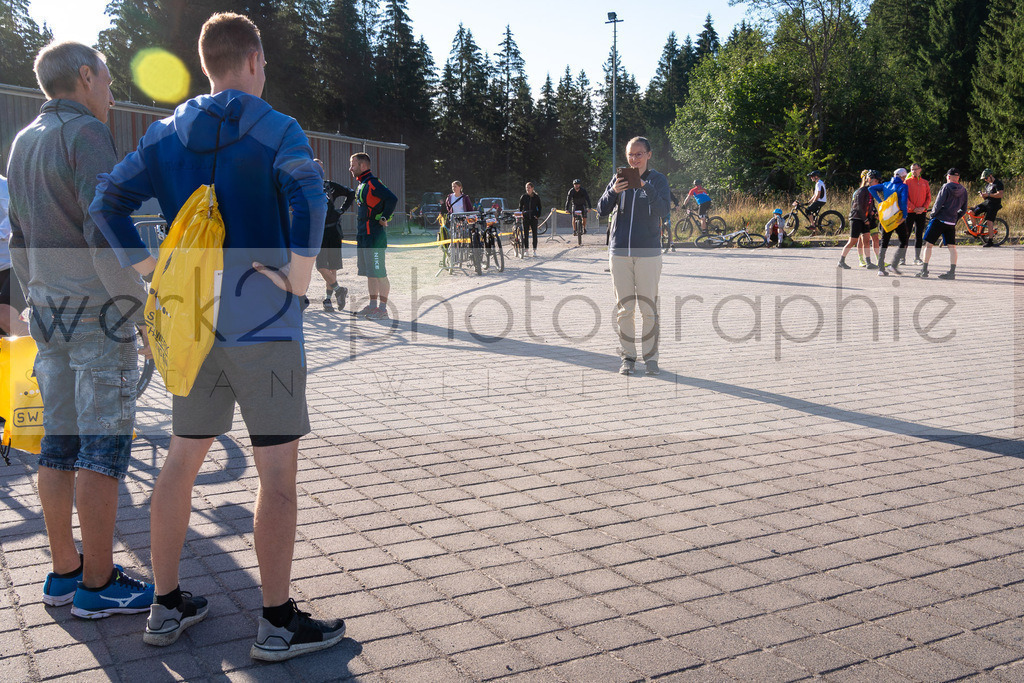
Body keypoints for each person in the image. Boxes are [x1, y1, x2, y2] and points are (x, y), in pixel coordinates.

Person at [91, 13, 345, 659]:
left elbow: (106, 203)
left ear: (208, 63)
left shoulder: (168, 131)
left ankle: (165, 604)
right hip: (264, 320)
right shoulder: (275, 125)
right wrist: (300, 269)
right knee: (277, 473)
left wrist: (152, 272)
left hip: (193, 321)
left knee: (180, 459)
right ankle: (277, 622)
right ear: (255, 59)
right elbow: (310, 193)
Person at [5, 41, 154, 618]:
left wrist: (35, 296)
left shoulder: (23, 140)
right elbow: (105, 229)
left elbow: (17, 236)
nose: (113, 95)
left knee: (59, 444)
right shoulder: (86, 134)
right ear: (86, 77)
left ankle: (64, 569)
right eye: (110, 82)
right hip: (97, 314)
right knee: (104, 447)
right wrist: (136, 309)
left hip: (48, 311)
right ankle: (98, 584)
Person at [598, 136, 670, 377]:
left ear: (649, 155)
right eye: (630, 154)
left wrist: (644, 186)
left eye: (639, 154)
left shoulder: (658, 180)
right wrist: (612, 191)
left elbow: (664, 210)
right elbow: (601, 210)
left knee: (648, 308)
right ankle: (628, 358)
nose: (634, 159)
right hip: (619, 253)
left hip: (648, 252)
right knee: (624, 309)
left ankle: (651, 359)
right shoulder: (619, 179)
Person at [351, 152, 396, 320]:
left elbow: (392, 199)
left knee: (379, 273)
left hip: (375, 236)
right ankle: (372, 306)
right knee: (370, 273)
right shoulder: (362, 184)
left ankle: (383, 310)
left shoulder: (373, 183)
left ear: (363, 166)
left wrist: (384, 217)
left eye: (353, 165)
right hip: (363, 235)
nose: (350, 168)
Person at [314, 158, 354, 311]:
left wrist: (341, 210)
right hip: (318, 232)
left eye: (320, 168)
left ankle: (328, 300)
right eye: (315, 167)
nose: (318, 170)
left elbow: (350, 193)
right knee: (321, 266)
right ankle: (339, 290)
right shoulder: (307, 186)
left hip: (334, 230)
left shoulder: (329, 186)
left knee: (332, 268)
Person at [917, 168, 968, 280]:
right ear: (958, 177)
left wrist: (932, 215)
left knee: (929, 244)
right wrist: (956, 217)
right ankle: (952, 272)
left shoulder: (946, 187)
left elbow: (938, 203)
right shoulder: (964, 190)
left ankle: (924, 270)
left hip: (939, 219)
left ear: (948, 177)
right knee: (952, 247)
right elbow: (964, 209)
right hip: (951, 221)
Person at [0, 175, 29, 335]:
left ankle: (52, 350)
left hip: (15, 267)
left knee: (4, 316)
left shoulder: (3, 186)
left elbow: (17, 218)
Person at [868, 168, 910, 277]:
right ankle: (894, 265)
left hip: (886, 216)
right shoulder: (903, 186)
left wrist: (881, 202)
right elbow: (903, 201)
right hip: (897, 217)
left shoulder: (886, 184)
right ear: (902, 177)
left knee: (884, 242)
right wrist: (904, 215)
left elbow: (871, 189)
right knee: (903, 241)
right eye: (904, 177)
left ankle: (881, 269)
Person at [838, 170, 881, 268]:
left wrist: (872, 214)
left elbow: (869, 206)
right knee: (852, 241)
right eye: (877, 181)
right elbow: (858, 208)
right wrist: (865, 219)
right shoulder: (861, 191)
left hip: (865, 219)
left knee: (866, 240)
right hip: (856, 218)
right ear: (870, 180)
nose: (878, 183)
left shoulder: (871, 191)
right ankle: (841, 261)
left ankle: (868, 262)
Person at [905, 163, 932, 264]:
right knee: (906, 235)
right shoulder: (907, 182)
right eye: (912, 169)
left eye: (915, 169)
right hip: (910, 211)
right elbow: (904, 197)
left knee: (919, 234)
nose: (914, 171)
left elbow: (928, 197)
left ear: (920, 170)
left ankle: (917, 258)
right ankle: (902, 258)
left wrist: (924, 207)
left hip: (921, 212)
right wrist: (913, 208)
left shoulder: (925, 182)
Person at [973, 168, 1004, 247]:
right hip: (986, 203)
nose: (985, 180)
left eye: (986, 178)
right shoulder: (987, 185)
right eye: (984, 179)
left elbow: (1000, 195)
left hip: (994, 205)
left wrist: (988, 195)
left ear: (990, 176)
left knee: (989, 221)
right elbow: (987, 197)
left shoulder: (998, 183)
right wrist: (983, 196)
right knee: (972, 212)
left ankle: (990, 241)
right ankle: (974, 230)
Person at [519, 182, 542, 256]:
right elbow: (520, 207)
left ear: (532, 188)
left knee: (534, 234)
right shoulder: (523, 196)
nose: (527, 189)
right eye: (526, 188)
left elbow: (540, 207)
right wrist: (521, 214)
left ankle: (534, 250)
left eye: (529, 188)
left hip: (533, 217)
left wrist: (537, 215)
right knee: (525, 235)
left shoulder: (536, 197)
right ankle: (526, 250)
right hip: (525, 217)